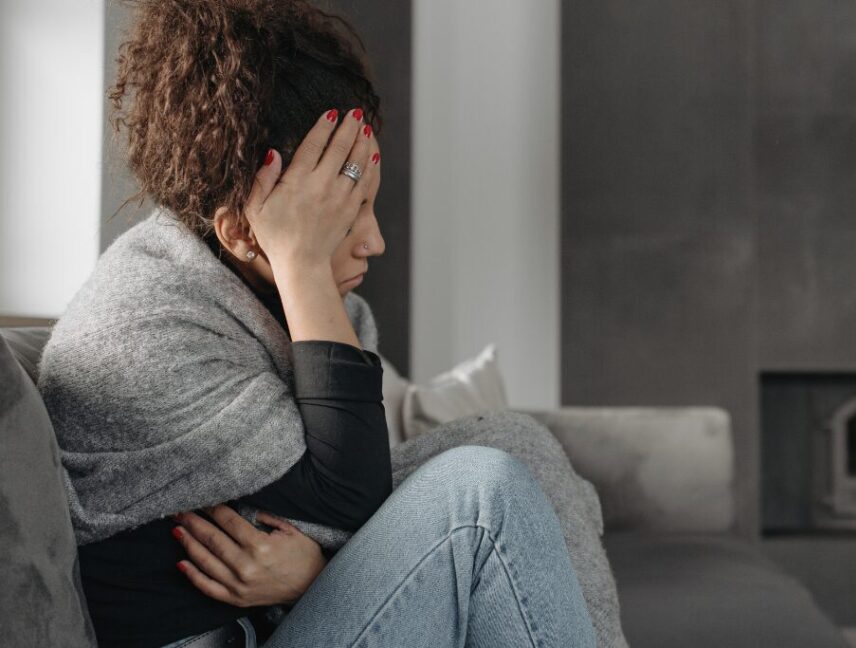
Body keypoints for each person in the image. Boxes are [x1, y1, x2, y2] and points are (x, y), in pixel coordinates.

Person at [36, 1, 627, 646]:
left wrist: (310, 576)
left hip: (277, 625)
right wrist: (301, 263)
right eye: (344, 216)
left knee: (519, 445)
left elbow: (344, 506)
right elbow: (351, 501)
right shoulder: (140, 325)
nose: (375, 242)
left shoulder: (281, 299)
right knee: (482, 496)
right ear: (241, 230)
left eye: (370, 203)